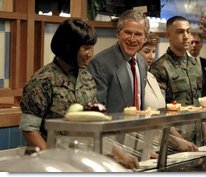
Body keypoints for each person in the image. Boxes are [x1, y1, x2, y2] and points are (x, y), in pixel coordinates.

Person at [19, 19, 138, 169]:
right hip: (46, 166)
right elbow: (30, 130)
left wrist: (119, 154)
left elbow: (94, 124)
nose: (90, 54)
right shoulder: (43, 80)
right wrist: (55, 162)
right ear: (69, 47)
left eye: (91, 48)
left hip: (80, 162)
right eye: (86, 48)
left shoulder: (87, 78)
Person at [150, 16, 202, 152]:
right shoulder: (160, 67)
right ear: (169, 35)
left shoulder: (194, 64)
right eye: (180, 32)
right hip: (173, 142)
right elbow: (158, 111)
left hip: (197, 138)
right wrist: (179, 140)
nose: (186, 36)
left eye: (188, 31)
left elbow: (200, 102)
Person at [87, 9, 149, 113]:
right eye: (127, 32)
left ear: (145, 38)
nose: (132, 39)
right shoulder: (99, 64)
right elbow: (97, 111)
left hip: (136, 127)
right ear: (118, 33)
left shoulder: (142, 62)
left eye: (138, 34)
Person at [138, 32, 166, 109]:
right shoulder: (133, 77)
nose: (152, 56)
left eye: (153, 51)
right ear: (135, 52)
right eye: (147, 51)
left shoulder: (151, 76)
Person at [188, 32, 206, 97]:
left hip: (205, 103)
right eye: (191, 42)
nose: (194, 45)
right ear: (187, 44)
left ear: (201, 45)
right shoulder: (180, 63)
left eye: (197, 42)